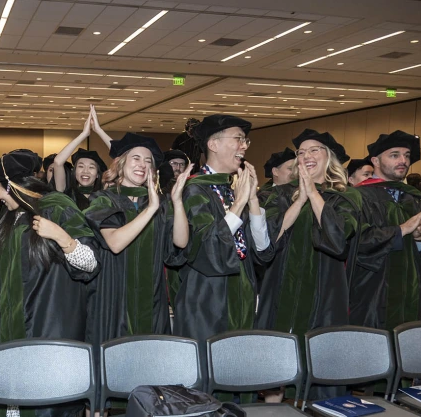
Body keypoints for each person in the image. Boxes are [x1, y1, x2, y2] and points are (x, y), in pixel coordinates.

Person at [84, 132, 192, 398]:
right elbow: (116, 243)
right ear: (121, 163)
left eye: (148, 160)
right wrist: (150, 209)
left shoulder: (159, 202)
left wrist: (176, 202)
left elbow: (180, 242)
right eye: (135, 158)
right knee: (107, 378)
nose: (142, 164)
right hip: (113, 301)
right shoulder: (103, 200)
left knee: (151, 378)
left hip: (151, 301)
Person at [171, 114, 273, 392]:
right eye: (238, 139)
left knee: (239, 374)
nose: (244, 146)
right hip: (206, 297)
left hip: (241, 292)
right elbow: (207, 248)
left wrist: (252, 202)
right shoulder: (195, 191)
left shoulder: (232, 188)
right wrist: (239, 204)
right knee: (207, 378)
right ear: (213, 144)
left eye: (245, 140)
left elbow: (263, 252)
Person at [256, 129, 361, 400]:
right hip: (279, 289)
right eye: (301, 152)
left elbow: (337, 240)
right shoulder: (279, 194)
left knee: (321, 368)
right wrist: (299, 198)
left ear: (329, 157)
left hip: (324, 293)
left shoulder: (347, 197)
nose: (306, 155)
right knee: (273, 370)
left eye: (314, 150)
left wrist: (313, 193)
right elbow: (267, 242)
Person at [0, 149, 100, 344]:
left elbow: (90, 264)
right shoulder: (10, 218)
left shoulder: (56, 207)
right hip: (10, 329)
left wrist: (62, 237)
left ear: (9, 186)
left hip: (49, 328)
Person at [350, 130, 421, 330]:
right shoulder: (356, 198)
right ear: (375, 160)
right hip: (368, 301)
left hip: (410, 304)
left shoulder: (419, 202)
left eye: (407, 155)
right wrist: (400, 230)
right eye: (394, 155)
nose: (403, 160)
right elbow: (353, 242)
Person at [52, 106, 109, 209]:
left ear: (97, 174)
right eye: (81, 166)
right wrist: (83, 134)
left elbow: (124, 156)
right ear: (74, 171)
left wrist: (99, 130)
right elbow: (58, 162)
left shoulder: (105, 196)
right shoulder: (66, 193)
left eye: (91, 167)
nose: (85, 171)